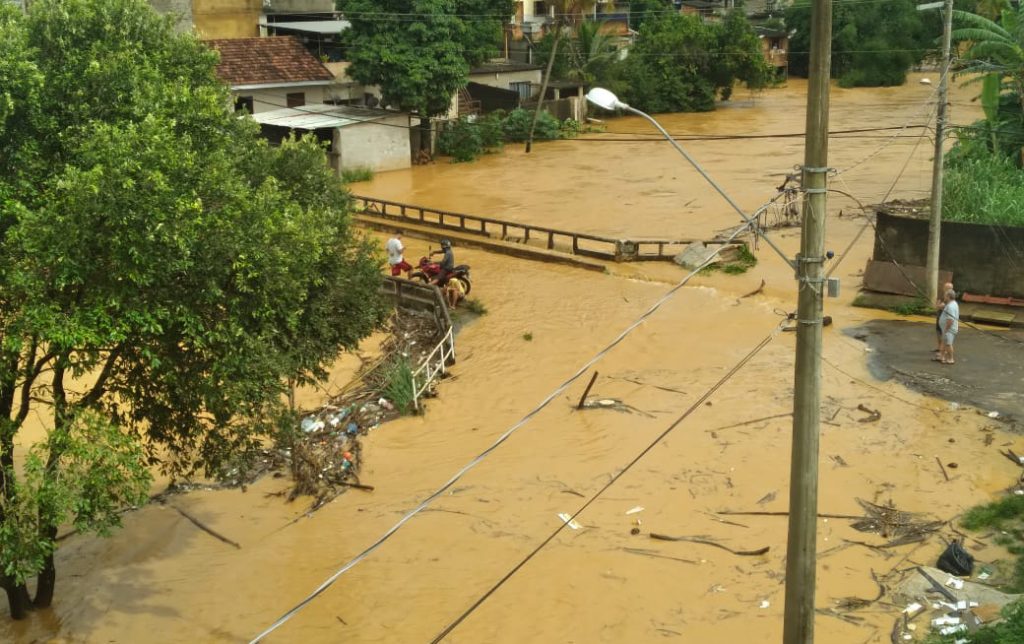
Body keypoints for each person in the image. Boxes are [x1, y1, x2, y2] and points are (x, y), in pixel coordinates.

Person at [938, 289, 960, 365]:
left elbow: (950, 320)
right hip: (947, 329)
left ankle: (951, 359)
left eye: (945, 295)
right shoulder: (952, 303)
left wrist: (946, 329)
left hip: (949, 329)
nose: (944, 297)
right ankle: (942, 356)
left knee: (948, 344)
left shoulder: (951, 306)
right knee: (945, 342)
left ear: (948, 296)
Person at [934, 281, 954, 357]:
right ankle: (939, 348)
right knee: (938, 332)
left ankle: (944, 351)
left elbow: (942, 306)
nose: (947, 290)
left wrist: (940, 305)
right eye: (946, 288)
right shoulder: (941, 296)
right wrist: (939, 305)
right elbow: (937, 306)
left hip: (946, 319)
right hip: (939, 317)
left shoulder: (951, 297)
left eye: (949, 288)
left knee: (944, 335)